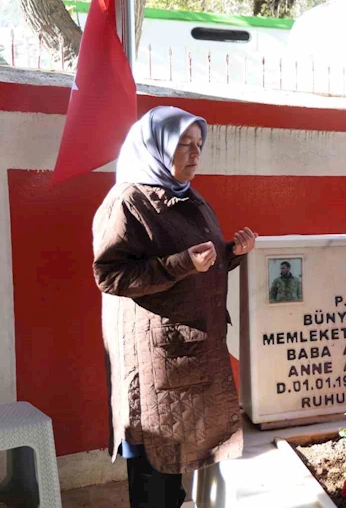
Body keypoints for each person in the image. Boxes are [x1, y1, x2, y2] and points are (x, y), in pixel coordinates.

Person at [92, 106, 258, 507]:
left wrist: (230, 253)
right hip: (154, 362)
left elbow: (198, 259)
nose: (195, 153)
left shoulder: (188, 197)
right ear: (156, 146)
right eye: (183, 144)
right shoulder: (128, 200)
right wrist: (183, 263)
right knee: (154, 470)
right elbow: (110, 275)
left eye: (199, 144)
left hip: (190, 354)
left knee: (175, 469)